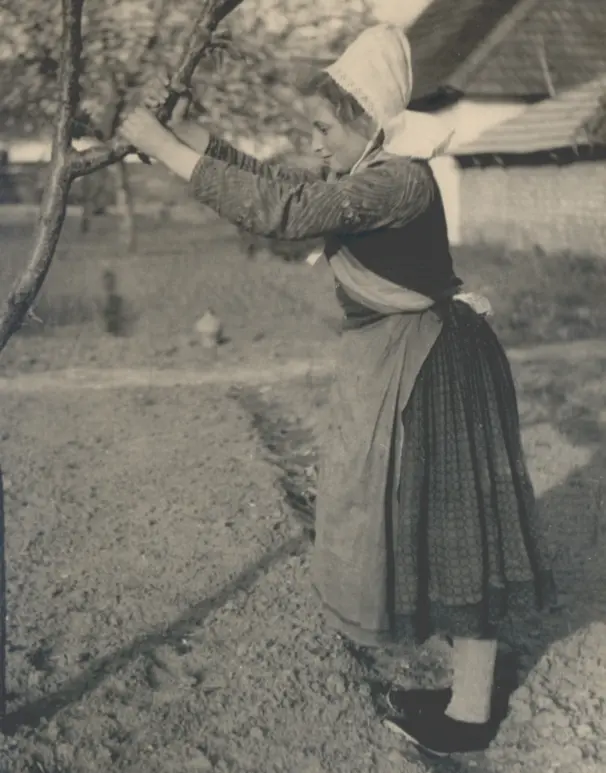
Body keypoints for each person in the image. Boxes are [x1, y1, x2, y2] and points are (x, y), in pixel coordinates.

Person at [121, 23, 557, 758]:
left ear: (364, 120)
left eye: (325, 127)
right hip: (415, 361)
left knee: (456, 532)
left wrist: (168, 152)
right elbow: (287, 189)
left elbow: (286, 214)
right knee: (423, 522)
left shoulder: (398, 179)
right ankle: (467, 691)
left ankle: (473, 709)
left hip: (438, 369)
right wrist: (192, 138)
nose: (317, 142)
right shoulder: (367, 175)